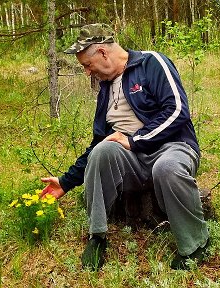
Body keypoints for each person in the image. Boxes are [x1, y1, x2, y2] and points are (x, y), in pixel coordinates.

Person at [40, 23, 209, 271]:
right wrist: (65, 182)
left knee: (167, 167)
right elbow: (99, 142)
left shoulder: (152, 63)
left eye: (87, 65)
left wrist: (134, 140)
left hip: (173, 146)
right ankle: (97, 236)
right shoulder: (106, 89)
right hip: (132, 160)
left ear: (102, 52)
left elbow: (177, 111)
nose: (88, 73)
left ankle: (195, 244)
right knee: (102, 151)